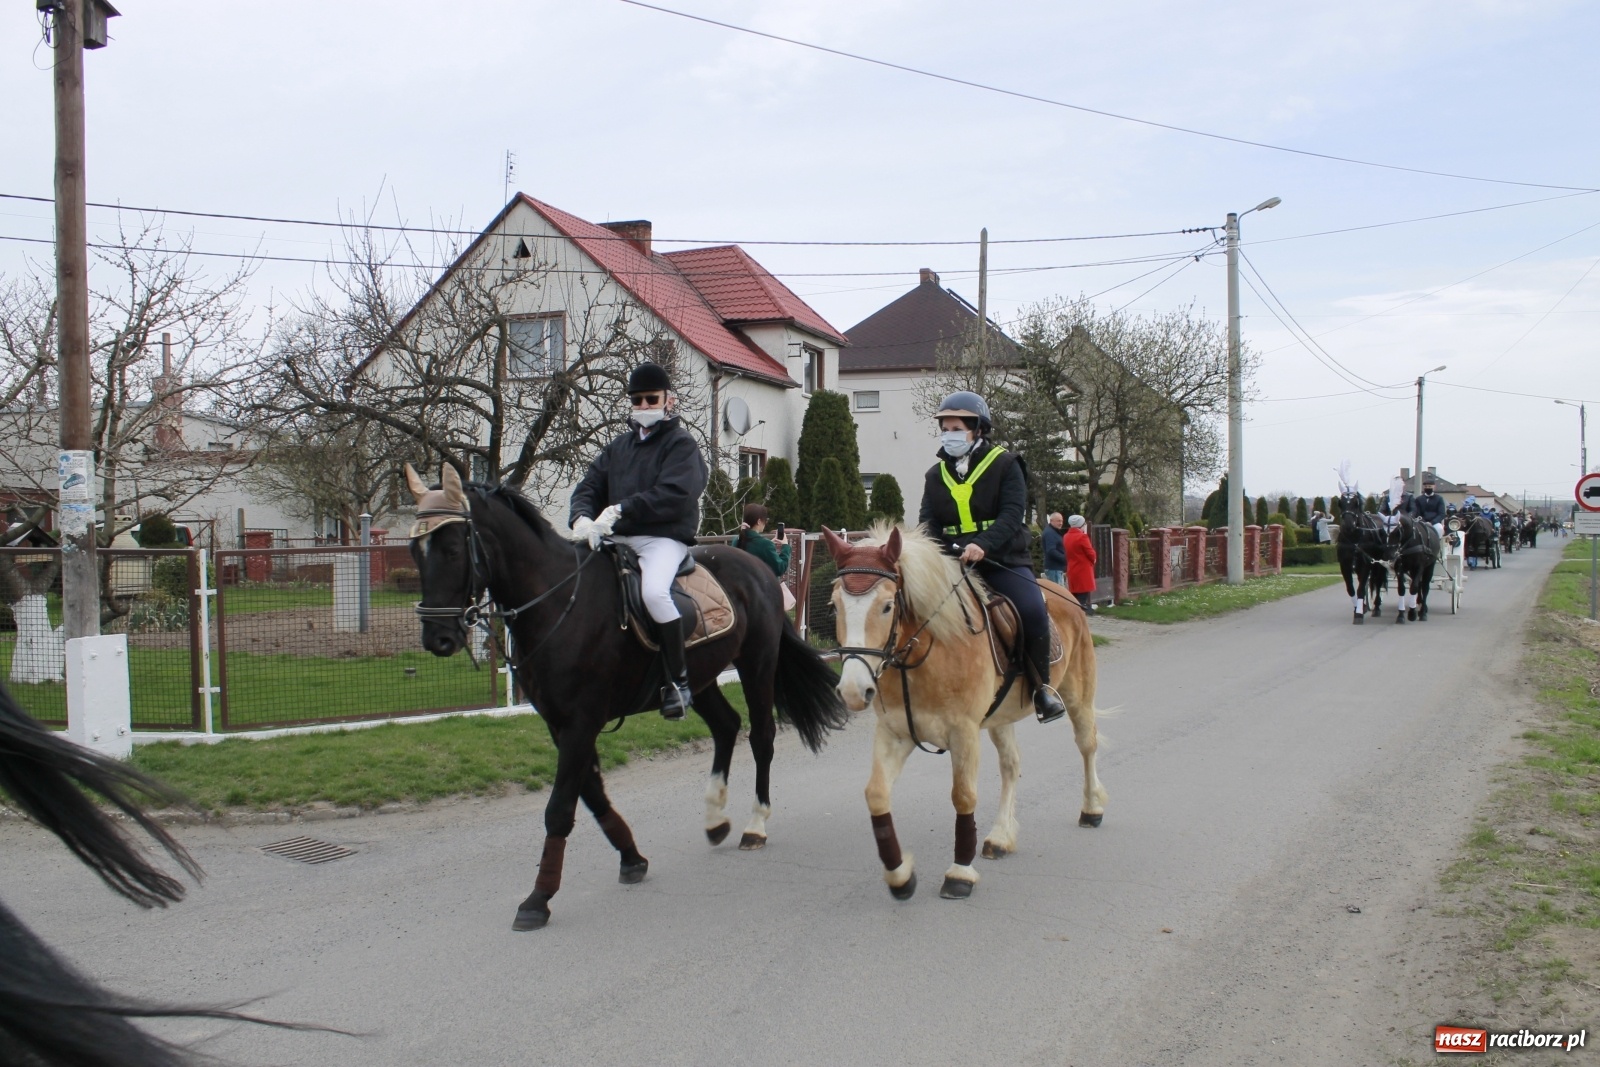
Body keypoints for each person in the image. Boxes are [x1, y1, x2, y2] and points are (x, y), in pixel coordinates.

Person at [917, 391, 1067, 724]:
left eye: (955, 427)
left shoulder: (1006, 464)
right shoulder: (934, 476)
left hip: (1003, 560)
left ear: (977, 428)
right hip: (954, 564)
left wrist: (983, 544)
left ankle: (1043, 690)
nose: (948, 434)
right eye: (944, 428)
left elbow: (1013, 514)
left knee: (1031, 610)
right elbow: (928, 523)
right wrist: (932, 550)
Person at [569, 362, 708, 720]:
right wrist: (582, 516)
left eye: (651, 399)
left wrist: (620, 510)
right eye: (638, 400)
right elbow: (589, 486)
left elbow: (675, 494)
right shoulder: (618, 447)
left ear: (668, 401)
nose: (644, 406)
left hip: (662, 539)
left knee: (653, 593)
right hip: (619, 538)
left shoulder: (681, 445)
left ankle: (678, 683)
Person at [736, 503, 796, 611]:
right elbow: (780, 568)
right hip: (763, 597)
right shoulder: (764, 544)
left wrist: (769, 545)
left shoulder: (737, 540)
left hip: (741, 595)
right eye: (765, 520)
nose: (766, 523)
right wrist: (786, 546)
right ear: (759, 521)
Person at [1063, 514, 1098, 613]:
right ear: (1081, 525)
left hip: (1072, 568)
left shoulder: (1066, 536)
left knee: (1075, 594)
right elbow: (1090, 552)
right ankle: (1081, 611)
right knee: (1083, 594)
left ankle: (1077, 610)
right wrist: (1093, 560)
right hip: (1083, 569)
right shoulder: (1082, 537)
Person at [1407, 473, 1446, 542]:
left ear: (1434, 487)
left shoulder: (1439, 498)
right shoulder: (1419, 499)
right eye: (1426, 486)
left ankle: (1438, 545)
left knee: (1439, 529)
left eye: (1430, 486)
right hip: (1421, 522)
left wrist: (1432, 522)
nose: (1428, 488)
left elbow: (1442, 514)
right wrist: (1422, 521)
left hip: (1435, 523)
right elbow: (1417, 512)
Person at [1041, 511, 1067, 586]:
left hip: (1056, 568)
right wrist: (1065, 559)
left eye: (1061, 521)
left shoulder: (1053, 532)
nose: (1061, 523)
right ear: (1051, 521)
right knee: (1058, 593)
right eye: (1058, 521)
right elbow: (1051, 551)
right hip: (1054, 569)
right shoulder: (1050, 533)